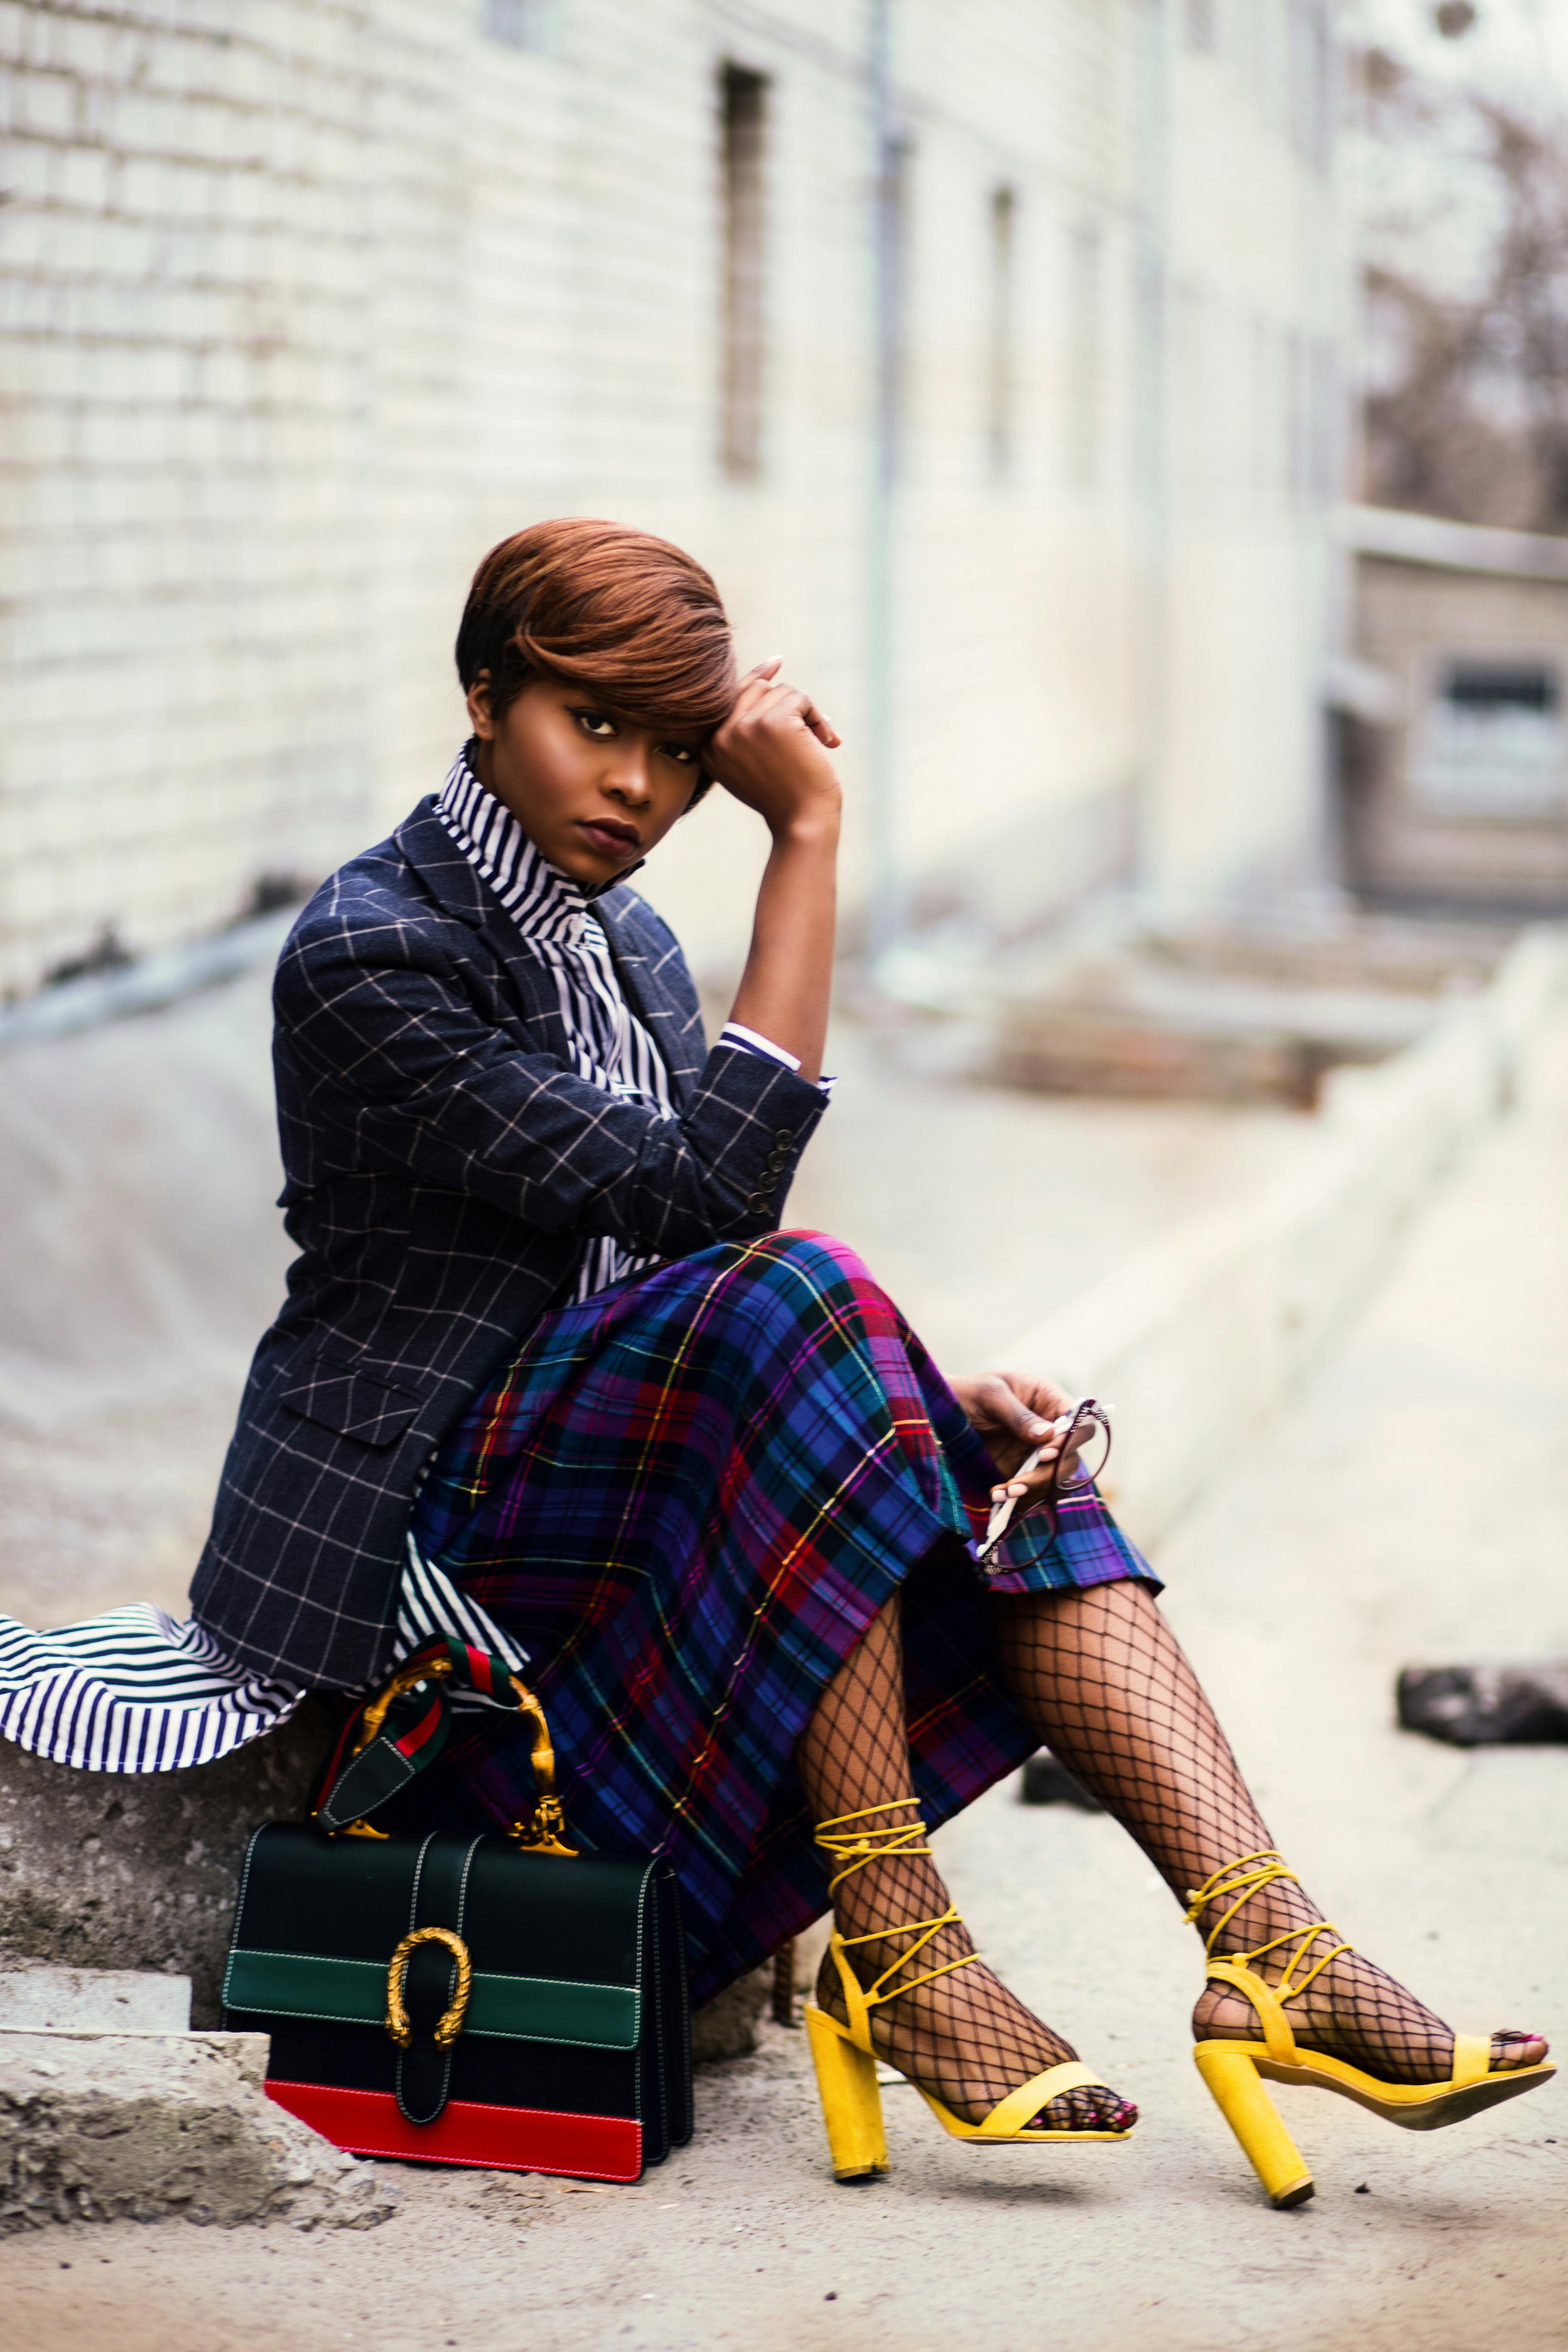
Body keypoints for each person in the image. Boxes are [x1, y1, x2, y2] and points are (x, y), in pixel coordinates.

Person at [0, 520, 1550, 2202]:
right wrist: (805, 835)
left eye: (678, 751)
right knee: (804, 1287)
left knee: (1002, 1469)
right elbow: (717, 1210)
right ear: (482, 693)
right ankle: (900, 1946)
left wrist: (911, 1400)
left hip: (600, 1485)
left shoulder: (633, 947)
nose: (640, 789)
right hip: (416, 1537)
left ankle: (1277, 1953)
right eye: (593, 724)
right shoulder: (377, 951)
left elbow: (696, 1271)